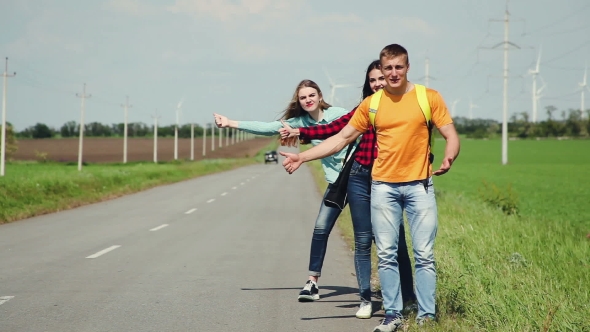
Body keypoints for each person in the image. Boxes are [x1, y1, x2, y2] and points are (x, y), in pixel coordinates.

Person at [280, 44, 460, 332]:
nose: (393, 73)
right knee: (386, 253)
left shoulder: (429, 98)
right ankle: (393, 315)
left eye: (398, 67)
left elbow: (450, 133)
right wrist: (302, 156)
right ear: (382, 68)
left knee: (424, 255)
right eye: (387, 68)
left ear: (407, 67)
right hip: (383, 188)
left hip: (419, 187)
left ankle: (427, 316)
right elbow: (339, 138)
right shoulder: (372, 104)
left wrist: (451, 154)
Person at [279, 60, 417, 319]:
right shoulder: (366, 107)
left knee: (395, 243)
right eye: (372, 80)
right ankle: (366, 299)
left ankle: (408, 298)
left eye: (381, 78)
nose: (377, 83)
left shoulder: (405, 107)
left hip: (388, 179)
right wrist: (299, 132)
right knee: (363, 240)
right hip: (360, 176)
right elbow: (337, 130)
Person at [212, 79, 351, 305]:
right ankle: (312, 282)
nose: (307, 100)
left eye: (311, 95)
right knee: (320, 228)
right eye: (303, 97)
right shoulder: (298, 122)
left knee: (369, 233)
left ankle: (382, 290)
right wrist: (230, 123)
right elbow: (268, 127)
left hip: (356, 177)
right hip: (336, 182)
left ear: (320, 96)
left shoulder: (338, 114)